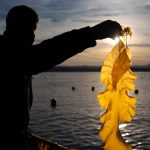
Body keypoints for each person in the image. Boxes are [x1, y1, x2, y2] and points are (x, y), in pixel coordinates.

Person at [0, 5, 122, 150]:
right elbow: (45, 53)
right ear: (17, 26)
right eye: (31, 29)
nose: (33, 36)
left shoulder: (18, 56)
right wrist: (92, 33)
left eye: (34, 30)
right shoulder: (8, 54)